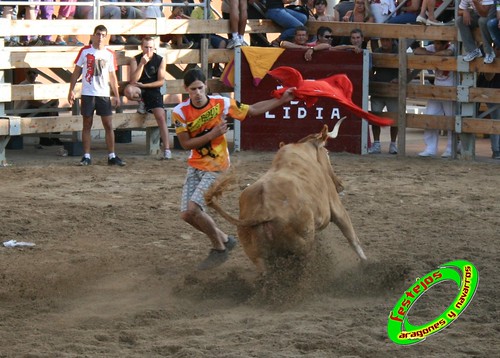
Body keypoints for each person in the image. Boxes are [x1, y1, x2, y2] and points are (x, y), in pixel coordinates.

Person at [173, 68, 295, 270]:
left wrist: (281, 101)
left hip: (217, 166)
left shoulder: (221, 103)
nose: (197, 93)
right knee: (187, 214)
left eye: (200, 88)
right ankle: (225, 239)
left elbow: (253, 110)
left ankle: (219, 249)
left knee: (194, 209)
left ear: (206, 86)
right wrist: (213, 134)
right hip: (195, 165)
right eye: (193, 89)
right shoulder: (179, 112)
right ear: (186, 89)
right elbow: (186, 144)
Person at [67, 24, 125, 166]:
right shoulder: (85, 51)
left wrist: (116, 94)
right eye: (98, 34)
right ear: (93, 35)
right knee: (87, 124)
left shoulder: (109, 53)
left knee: (108, 125)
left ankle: (111, 155)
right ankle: (86, 156)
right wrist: (71, 90)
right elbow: (76, 71)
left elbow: (112, 76)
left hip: (103, 93)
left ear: (106, 37)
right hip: (88, 93)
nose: (100, 37)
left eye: (103, 35)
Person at [124, 36, 172, 160]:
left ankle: (167, 149)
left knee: (161, 117)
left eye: (151, 47)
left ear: (154, 47)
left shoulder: (160, 59)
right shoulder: (136, 59)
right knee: (129, 90)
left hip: (153, 89)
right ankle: (142, 101)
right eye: (146, 47)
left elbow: (161, 81)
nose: (148, 50)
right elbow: (133, 80)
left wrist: (146, 85)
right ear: (142, 47)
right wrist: (142, 64)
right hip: (139, 88)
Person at [413, 40, 456, 158]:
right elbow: (417, 51)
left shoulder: (452, 46)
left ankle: (451, 148)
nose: (436, 46)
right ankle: (430, 148)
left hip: (450, 90)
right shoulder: (433, 47)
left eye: (439, 44)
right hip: (436, 91)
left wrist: (431, 55)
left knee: (450, 119)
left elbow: (448, 53)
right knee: (430, 116)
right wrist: (434, 54)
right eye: (435, 44)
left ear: (444, 44)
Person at [14, 69, 62, 146]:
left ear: (37, 75)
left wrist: (54, 106)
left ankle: (55, 137)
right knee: (44, 111)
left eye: (34, 73)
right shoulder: (23, 85)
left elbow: (53, 95)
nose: (31, 75)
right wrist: (47, 107)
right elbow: (31, 102)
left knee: (53, 111)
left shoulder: (39, 84)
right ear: (26, 74)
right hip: (23, 112)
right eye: (29, 73)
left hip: (37, 109)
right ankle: (44, 138)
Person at [368, 38, 399, 154]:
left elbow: (406, 70)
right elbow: (371, 69)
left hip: (392, 91)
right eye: (383, 41)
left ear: (392, 41)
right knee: (375, 115)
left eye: (387, 41)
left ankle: (393, 144)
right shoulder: (377, 51)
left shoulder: (398, 52)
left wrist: (398, 79)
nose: (385, 43)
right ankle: (377, 143)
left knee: (394, 118)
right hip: (379, 89)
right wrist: (372, 80)